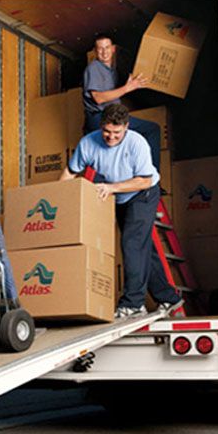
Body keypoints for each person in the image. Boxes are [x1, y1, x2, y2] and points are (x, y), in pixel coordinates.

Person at [60, 104, 182, 318]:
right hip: (120, 197)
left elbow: (144, 181)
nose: (111, 137)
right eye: (107, 131)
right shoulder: (88, 143)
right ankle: (169, 297)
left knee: (132, 244)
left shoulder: (136, 143)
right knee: (142, 248)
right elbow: (70, 172)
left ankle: (133, 304)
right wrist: (57, 199)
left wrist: (111, 188)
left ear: (126, 127)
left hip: (143, 193)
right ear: (101, 126)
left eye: (117, 132)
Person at [82, 33, 162, 171]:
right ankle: (151, 176)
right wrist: (127, 88)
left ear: (113, 49)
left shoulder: (111, 71)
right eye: (100, 49)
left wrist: (128, 86)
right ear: (95, 51)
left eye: (107, 47)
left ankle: (139, 175)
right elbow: (98, 98)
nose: (104, 52)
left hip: (112, 116)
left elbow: (113, 95)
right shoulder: (94, 68)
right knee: (152, 130)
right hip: (100, 117)